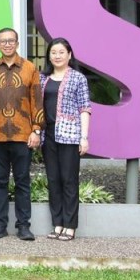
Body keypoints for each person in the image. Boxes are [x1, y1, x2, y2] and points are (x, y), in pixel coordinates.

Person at [0, 27, 43, 241]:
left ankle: (23, 226)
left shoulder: (30, 68)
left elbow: (37, 101)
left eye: (11, 41)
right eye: (3, 41)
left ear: (17, 43)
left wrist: (36, 130)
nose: (7, 44)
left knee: (22, 181)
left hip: (23, 136)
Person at [39, 38, 91, 242]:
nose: (57, 56)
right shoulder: (43, 78)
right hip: (48, 135)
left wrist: (84, 137)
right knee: (53, 180)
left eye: (61, 52)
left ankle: (70, 226)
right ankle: (57, 223)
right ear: (49, 56)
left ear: (69, 55)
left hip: (70, 135)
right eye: (53, 52)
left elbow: (84, 108)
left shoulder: (78, 78)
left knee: (69, 180)